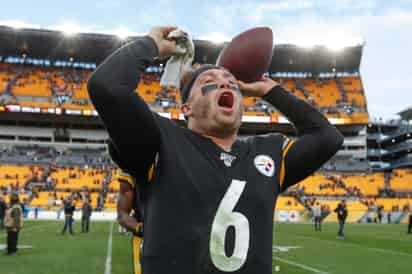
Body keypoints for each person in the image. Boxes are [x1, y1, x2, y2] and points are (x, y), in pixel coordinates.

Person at [88, 26, 343, 274]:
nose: (224, 85)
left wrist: (271, 91)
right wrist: (150, 44)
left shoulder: (269, 154)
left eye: (232, 84)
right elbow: (107, 86)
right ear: (186, 108)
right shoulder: (161, 142)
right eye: (209, 82)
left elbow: (327, 137)